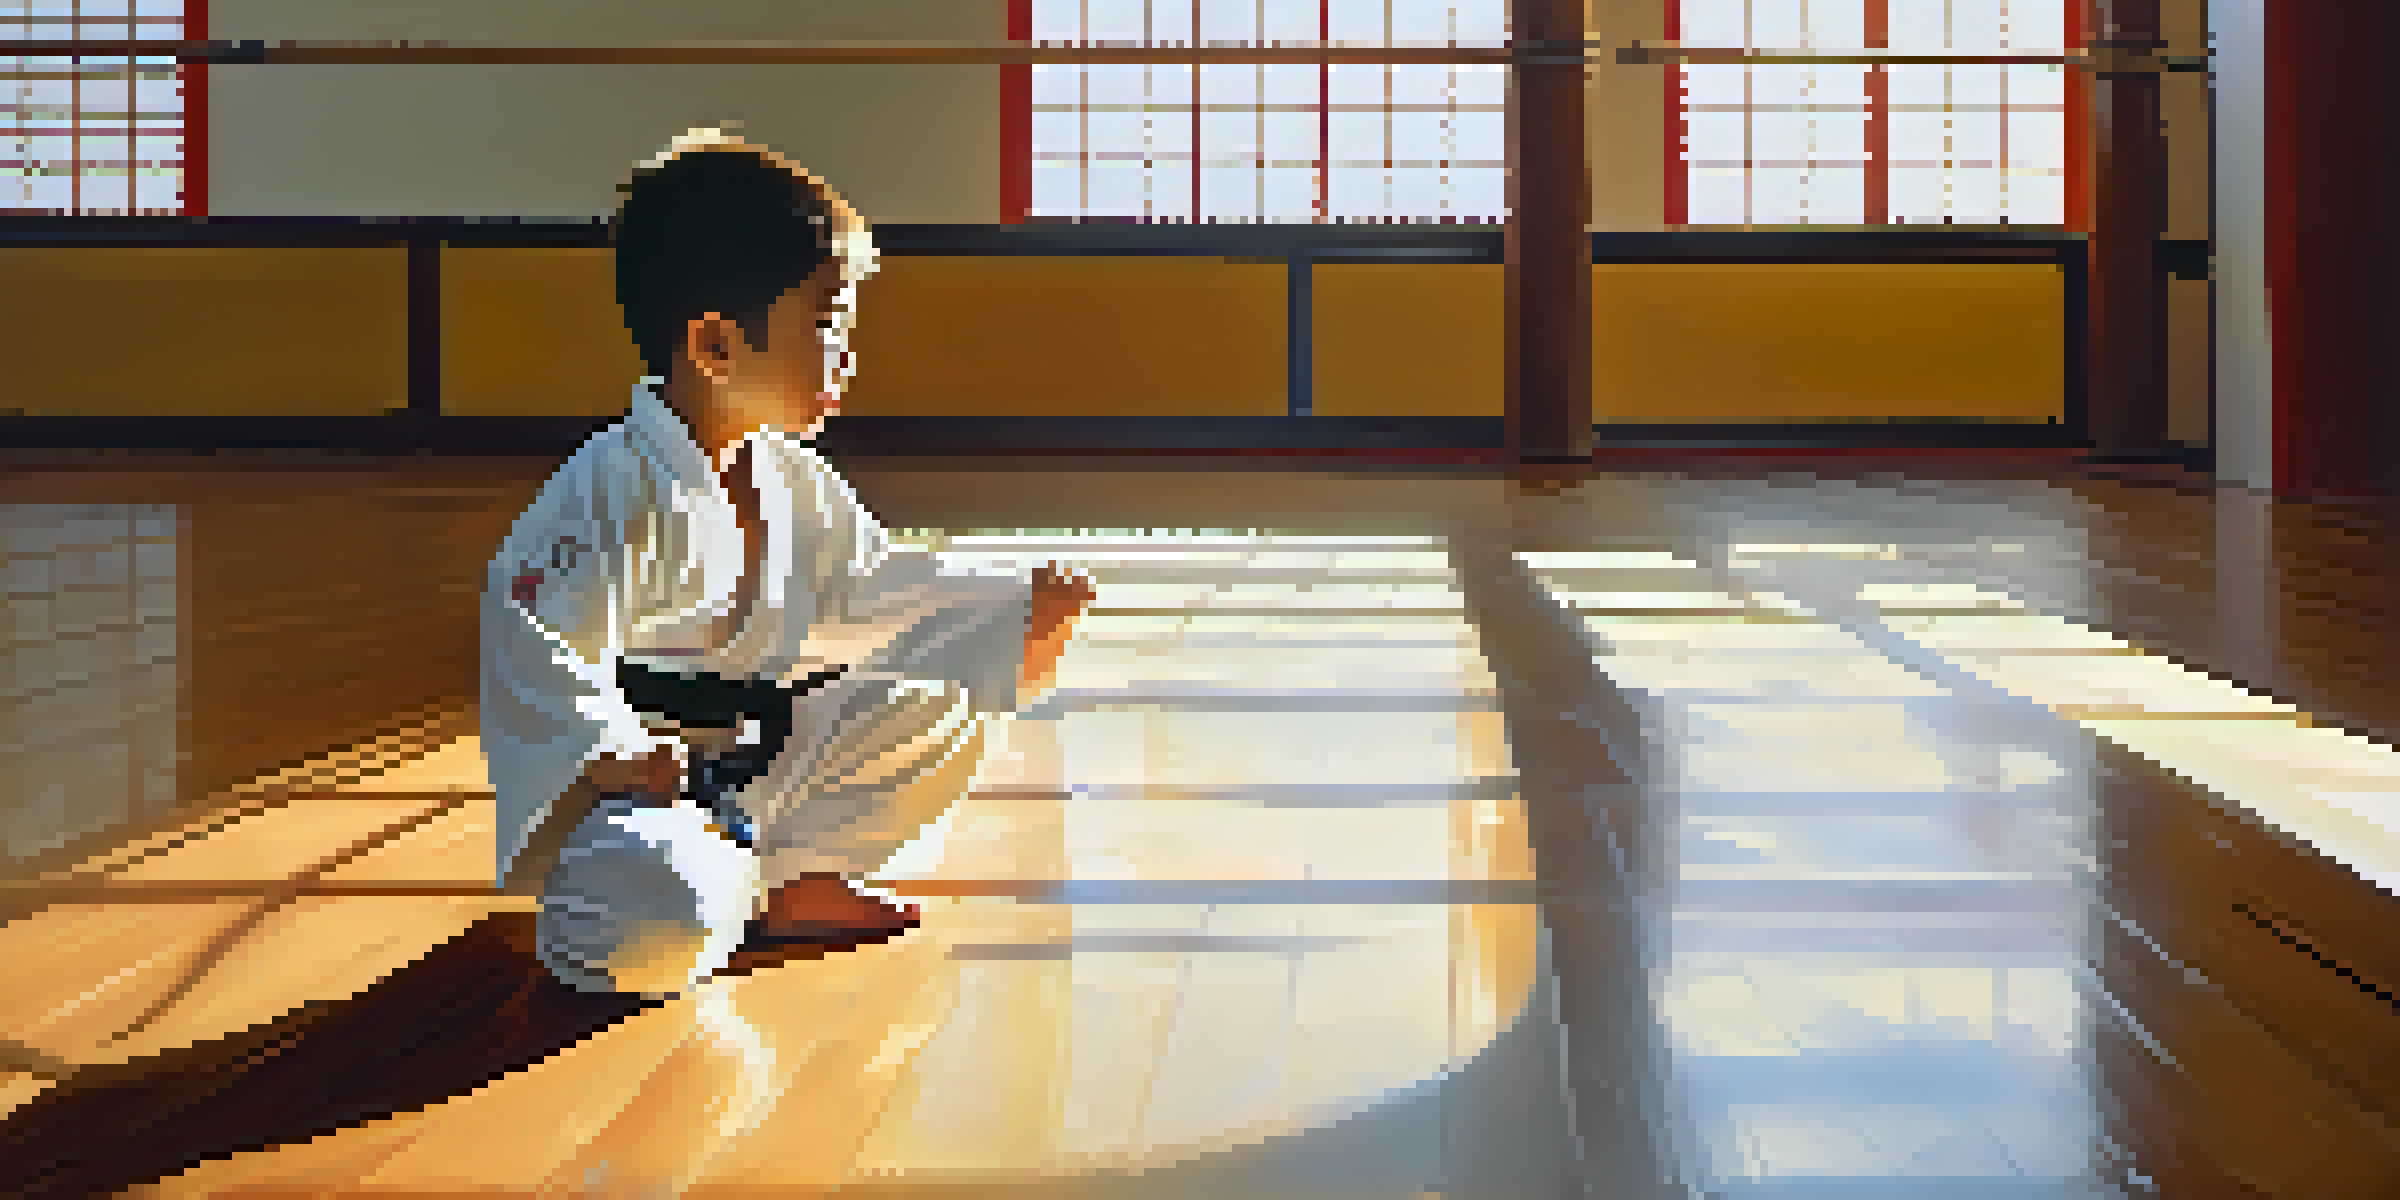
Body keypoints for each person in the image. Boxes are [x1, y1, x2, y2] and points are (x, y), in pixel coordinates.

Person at [482, 126, 1095, 997]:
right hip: (646, 793)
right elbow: (539, 642)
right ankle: (720, 884)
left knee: (951, 695)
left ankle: (792, 875)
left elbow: (870, 587)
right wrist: (614, 758)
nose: (846, 355)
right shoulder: (610, 487)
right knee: (650, 913)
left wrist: (1006, 612)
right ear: (715, 347)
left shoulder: (787, 474)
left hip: (763, 758)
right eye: (825, 323)